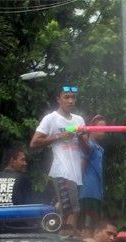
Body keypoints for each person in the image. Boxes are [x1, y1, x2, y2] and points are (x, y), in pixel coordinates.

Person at [30, 85, 85, 232]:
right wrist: (59, 136)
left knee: (63, 206)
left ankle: (53, 232)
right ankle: (68, 241)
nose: (70, 100)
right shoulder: (51, 118)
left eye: (73, 97)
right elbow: (34, 143)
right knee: (74, 210)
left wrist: (82, 137)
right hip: (62, 171)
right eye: (66, 97)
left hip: (76, 174)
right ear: (58, 99)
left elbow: (86, 150)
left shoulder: (79, 120)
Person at [80, 114, 106, 230]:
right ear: (92, 129)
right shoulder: (89, 146)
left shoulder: (99, 148)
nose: (103, 131)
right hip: (88, 192)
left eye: (105, 129)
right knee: (87, 227)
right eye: (100, 128)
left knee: (95, 226)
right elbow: (82, 166)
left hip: (97, 193)